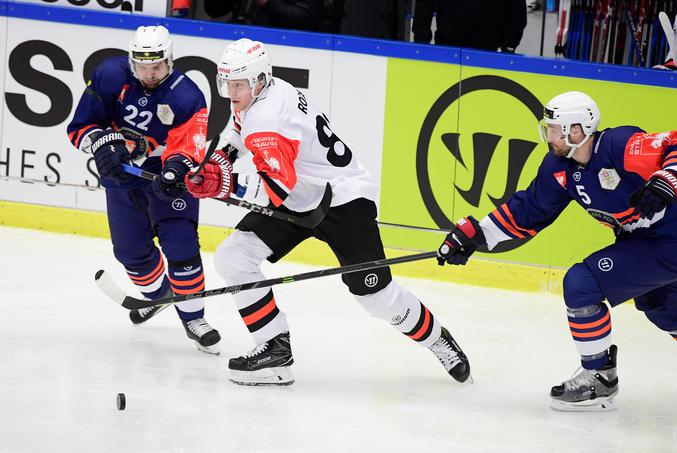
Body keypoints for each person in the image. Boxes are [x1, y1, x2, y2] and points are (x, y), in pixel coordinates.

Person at [183, 38, 471, 386]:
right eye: (226, 83)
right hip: (304, 193)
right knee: (234, 257)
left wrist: (224, 184)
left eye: (238, 84)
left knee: (377, 298)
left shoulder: (267, 119)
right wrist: (215, 164)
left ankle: (438, 339)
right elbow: (238, 129)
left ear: (260, 80)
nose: (231, 92)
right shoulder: (263, 91)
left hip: (343, 198)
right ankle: (275, 349)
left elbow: (277, 190)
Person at [436, 91, 677, 411]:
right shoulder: (558, 168)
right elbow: (529, 211)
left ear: (577, 130)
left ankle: (600, 376)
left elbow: (674, 143)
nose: (548, 135)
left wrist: (668, 178)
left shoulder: (619, 145)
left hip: (670, 241)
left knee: (582, 283)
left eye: (553, 128)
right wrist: (476, 236)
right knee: (663, 310)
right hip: (646, 244)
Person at [67, 25, 221, 354]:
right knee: (130, 252)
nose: (150, 74)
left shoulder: (187, 95)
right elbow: (80, 126)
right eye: (142, 66)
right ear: (131, 60)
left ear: (170, 61)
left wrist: (175, 170)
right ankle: (161, 295)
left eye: (157, 66)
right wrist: (102, 143)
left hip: (164, 173)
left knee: (180, 242)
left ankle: (194, 318)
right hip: (121, 172)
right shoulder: (110, 75)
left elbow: (188, 147)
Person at [411, 0, 527, 52]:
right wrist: (421, 40)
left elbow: (517, 9)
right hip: (448, 45)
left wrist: (510, 45)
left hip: (488, 48)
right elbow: (425, 4)